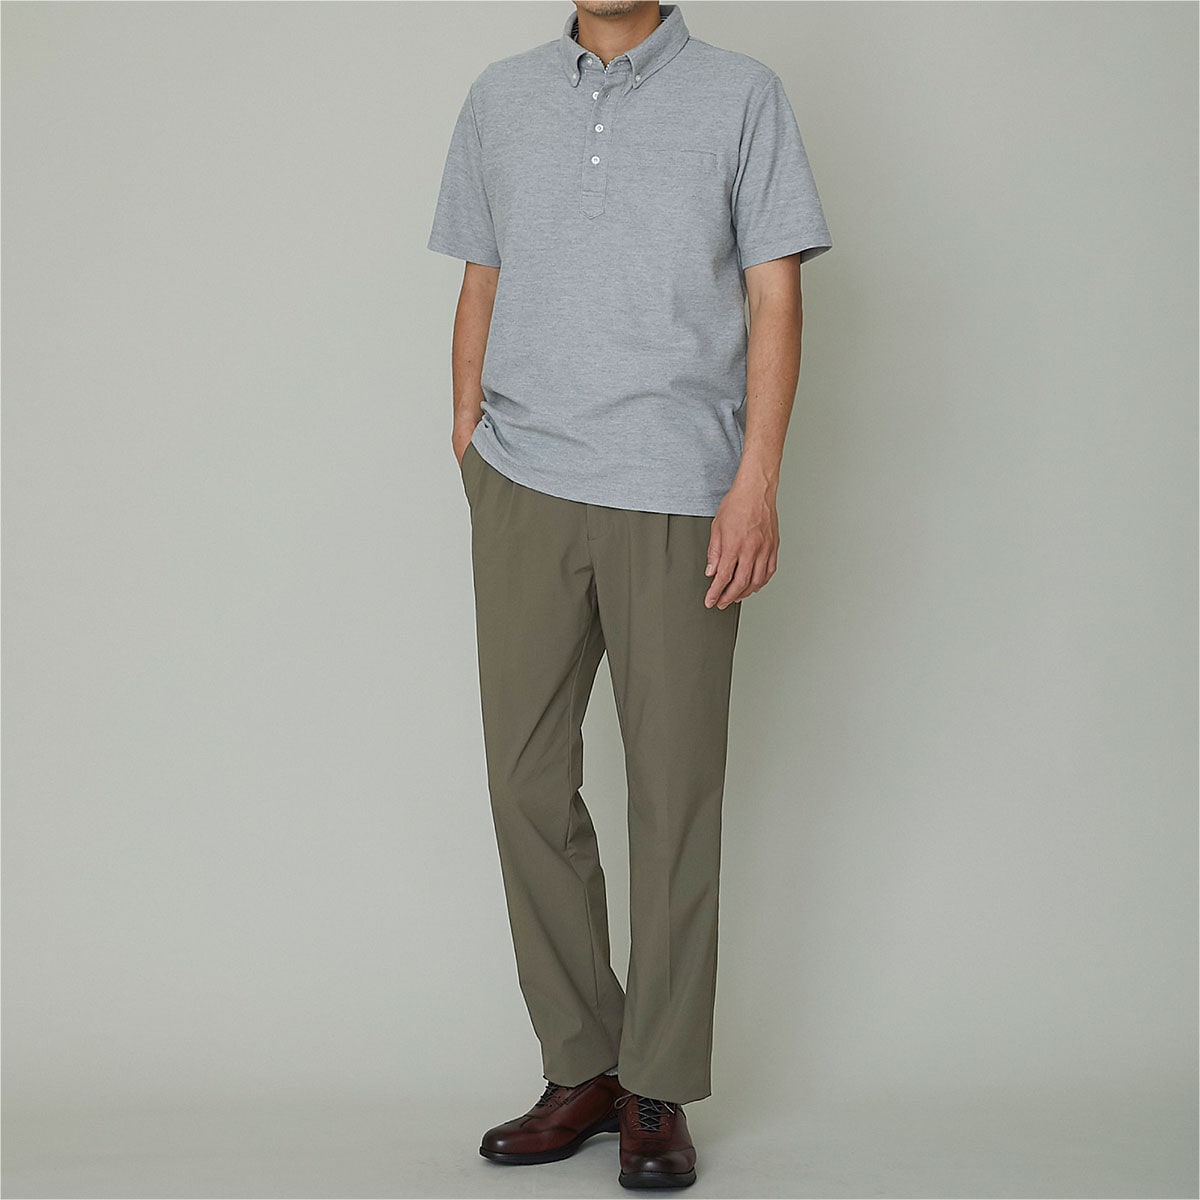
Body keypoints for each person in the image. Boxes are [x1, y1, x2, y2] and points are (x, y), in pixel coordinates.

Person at [426, 0, 831, 1188]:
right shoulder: (500, 96)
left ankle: (657, 1084)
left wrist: (755, 482)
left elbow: (774, 296)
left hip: (679, 488)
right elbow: (482, 278)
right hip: (525, 480)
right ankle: (584, 1062)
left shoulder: (742, 95)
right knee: (524, 784)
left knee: (673, 798)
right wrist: (469, 437)